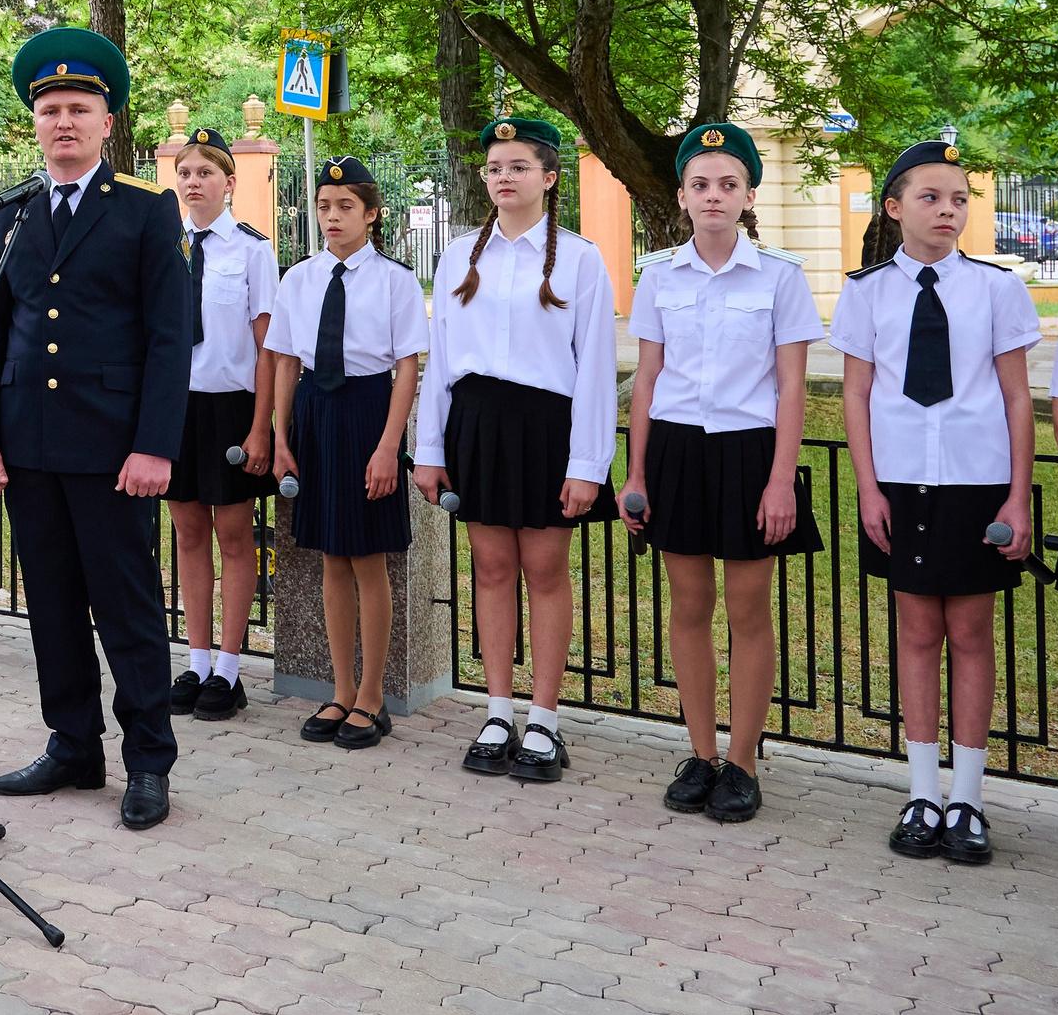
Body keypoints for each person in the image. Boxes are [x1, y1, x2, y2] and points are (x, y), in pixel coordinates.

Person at [0, 28, 190, 831]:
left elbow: (171, 337)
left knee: (125, 605)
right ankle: (73, 743)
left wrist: (156, 443)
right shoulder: (13, 212)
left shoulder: (144, 211)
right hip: (29, 444)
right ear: (35, 123)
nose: (64, 121)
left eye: (79, 109)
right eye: (51, 109)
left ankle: (148, 760)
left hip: (116, 448)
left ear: (105, 121)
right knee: (52, 603)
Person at [831, 139, 1037, 865]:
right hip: (901, 481)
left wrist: (1017, 494)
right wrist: (866, 488)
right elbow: (856, 393)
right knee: (916, 631)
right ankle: (922, 792)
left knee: (973, 633)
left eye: (959, 198)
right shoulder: (867, 290)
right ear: (894, 206)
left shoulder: (996, 288)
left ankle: (970, 798)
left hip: (976, 480)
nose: (948, 209)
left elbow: (1017, 396)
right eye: (930, 196)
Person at [623, 124, 826, 824]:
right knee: (688, 606)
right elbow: (646, 381)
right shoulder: (656, 275)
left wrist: (780, 480)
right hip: (677, 451)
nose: (714, 196)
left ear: (748, 195)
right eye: (701, 184)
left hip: (749, 452)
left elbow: (792, 390)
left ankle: (743, 760)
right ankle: (701, 752)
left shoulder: (781, 277)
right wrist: (636, 473)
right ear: (681, 196)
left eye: (728, 184)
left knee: (747, 609)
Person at [412, 117, 617, 783]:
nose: (503, 176)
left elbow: (593, 369)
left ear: (550, 178)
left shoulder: (581, 259)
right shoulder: (460, 254)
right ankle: (498, 709)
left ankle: (545, 719)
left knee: (546, 569)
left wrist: (587, 464)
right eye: (494, 166)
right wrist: (429, 448)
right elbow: (441, 360)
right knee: (493, 569)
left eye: (518, 166)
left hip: (546, 426)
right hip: (477, 423)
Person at [267, 158, 428, 751]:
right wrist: (282, 437)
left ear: (371, 213)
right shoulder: (299, 279)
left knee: (368, 557)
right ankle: (339, 690)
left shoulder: (395, 280)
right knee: (331, 555)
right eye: (324, 206)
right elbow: (285, 359)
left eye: (345, 207)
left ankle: (373, 697)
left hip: (367, 415)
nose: (332, 217)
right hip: (314, 414)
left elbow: (407, 367)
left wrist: (389, 447)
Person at [161, 127, 277, 721]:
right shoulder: (163, 245)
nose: (192, 183)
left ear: (229, 184)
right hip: (175, 406)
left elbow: (267, 351)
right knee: (186, 535)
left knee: (234, 536)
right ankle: (196, 659)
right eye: (184, 173)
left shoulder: (252, 249)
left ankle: (230, 669)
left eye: (204, 173)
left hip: (230, 406)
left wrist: (262, 429)